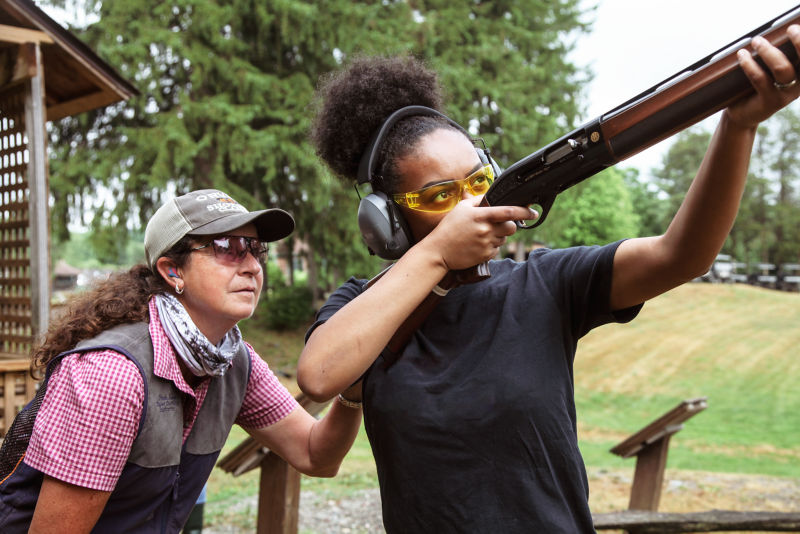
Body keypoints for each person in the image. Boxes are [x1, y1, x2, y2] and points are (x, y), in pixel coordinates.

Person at [297, 27, 800, 534]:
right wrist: (438, 252)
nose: (471, 205)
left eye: (478, 182)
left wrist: (738, 126)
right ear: (386, 222)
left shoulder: (545, 282)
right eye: (439, 196)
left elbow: (682, 256)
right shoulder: (364, 306)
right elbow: (319, 376)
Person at [0, 189, 363, 533]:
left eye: (256, 249)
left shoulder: (232, 361)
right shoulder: (113, 373)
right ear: (173, 271)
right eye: (228, 247)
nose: (253, 266)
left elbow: (316, 455)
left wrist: (353, 390)